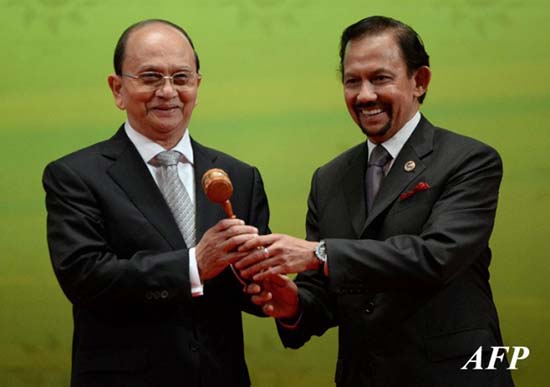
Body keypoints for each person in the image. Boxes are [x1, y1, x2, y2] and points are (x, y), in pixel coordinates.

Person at [236, 16, 514, 386]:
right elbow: (325, 294)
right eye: (352, 81)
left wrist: (319, 254)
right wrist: (293, 304)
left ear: (420, 81)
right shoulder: (329, 178)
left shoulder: (469, 159)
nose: (364, 95)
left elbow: (437, 257)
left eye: (380, 78)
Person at [43, 19, 269, 387]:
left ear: (197, 84)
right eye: (150, 77)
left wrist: (263, 284)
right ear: (117, 89)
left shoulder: (239, 176)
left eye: (181, 78)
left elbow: (250, 292)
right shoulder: (75, 176)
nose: (168, 91)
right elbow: (86, 278)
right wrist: (193, 264)